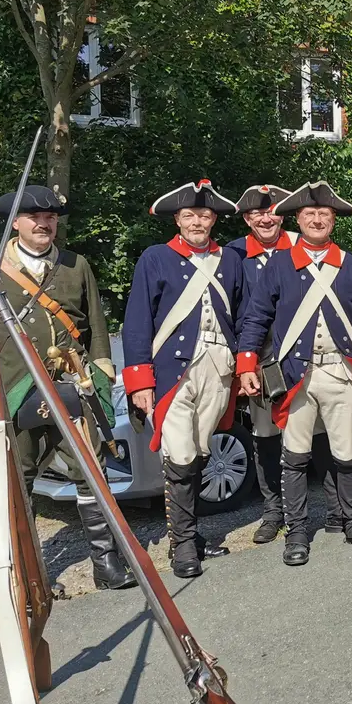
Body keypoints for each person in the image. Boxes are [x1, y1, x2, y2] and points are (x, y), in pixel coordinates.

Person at [0, 185, 133, 590]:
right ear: (16, 223)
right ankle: (27, 574)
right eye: (34, 217)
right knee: (20, 476)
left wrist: (100, 371)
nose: (44, 223)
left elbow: (95, 324)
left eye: (50, 218)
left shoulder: (75, 264)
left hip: (70, 383)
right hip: (14, 387)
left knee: (90, 471)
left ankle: (106, 564)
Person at [236, 182, 352, 566]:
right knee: (295, 456)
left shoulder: (350, 264)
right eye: (310, 214)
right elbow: (257, 316)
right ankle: (297, 531)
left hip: (340, 371)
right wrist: (247, 362)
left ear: (333, 221)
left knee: (347, 454)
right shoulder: (280, 264)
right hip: (296, 374)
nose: (317, 219)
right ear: (297, 219)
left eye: (325, 215)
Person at [121, 180, 243, 577]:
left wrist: (243, 366)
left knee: (200, 451)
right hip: (172, 371)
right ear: (177, 219)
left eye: (204, 215)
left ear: (213, 219)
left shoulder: (229, 260)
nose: (197, 221)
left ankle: (193, 535)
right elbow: (137, 321)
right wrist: (140, 381)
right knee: (180, 454)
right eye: (189, 215)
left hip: (218, 368)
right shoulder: (155, 258)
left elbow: (242, 317)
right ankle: (183, 546)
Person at [225, 185, 297, 545]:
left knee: (314, 433)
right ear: (246, 218)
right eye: (256, 213)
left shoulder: (302, 244)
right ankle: (273, 512)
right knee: (265, 434)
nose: (265, 218)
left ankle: (335, 510)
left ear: (282, 214)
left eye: (271, 211)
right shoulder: (234, 254)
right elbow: (232, 311)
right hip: (261, 359)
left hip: (302, 356)